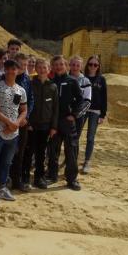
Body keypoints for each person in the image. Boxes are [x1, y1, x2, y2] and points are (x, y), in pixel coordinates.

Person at [0, 59, 28, 203]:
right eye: (8, 69)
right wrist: (9, 123)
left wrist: (16, 123)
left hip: (13, 133)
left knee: (6, 163)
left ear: (18, 70)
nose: (10, 71)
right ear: (4, 71)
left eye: (13, 69)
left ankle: (2, 188)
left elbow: (24, 110)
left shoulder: (21, 90)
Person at [47, 55, 88, 191]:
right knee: (53, 150)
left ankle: (72, 179)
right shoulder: (50, 81)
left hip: (68, 121)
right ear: (52, 67)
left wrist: (74, 115)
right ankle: (51, 175)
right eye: (55, 65)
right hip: (54, 122)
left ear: (65, 66)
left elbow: (81, 100)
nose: (58, 67)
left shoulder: (72, 81)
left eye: (61, 64)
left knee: (71, 150)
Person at [23, 58, 58, 189]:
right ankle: (25, 177)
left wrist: (53, 126)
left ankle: (39, 177)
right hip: (31, 125)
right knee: (29, 151)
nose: (42, 70)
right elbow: (25, 104)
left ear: (49, 69)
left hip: (45, 126)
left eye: (45, 68)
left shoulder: (53, 87)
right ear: (36, 69)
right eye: (40, 67)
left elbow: (55, 108)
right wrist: (27, 122)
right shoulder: (31, 85)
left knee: (41, 153)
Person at [9, 52, 34, 192]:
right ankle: (3, 179)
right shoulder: (7, 77)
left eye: (26, 64)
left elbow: (30, 99)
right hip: (8, 121)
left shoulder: (27, 79)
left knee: (20, 152)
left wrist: (25, 117)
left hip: (23, 122)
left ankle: (16, 181)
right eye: (21, 64)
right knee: (7, 151)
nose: (24, 67)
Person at [79, 55, 107, 175]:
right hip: (82, 110)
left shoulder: (101, 79)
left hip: (95, 112)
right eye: (91, 64)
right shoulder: (82, 77)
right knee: (76, 135)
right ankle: (70, 159)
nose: (93, 67)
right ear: (87, 65)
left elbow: (104, 97)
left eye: (95, 65)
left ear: (98, 66)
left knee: (90, 138)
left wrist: (103, 115)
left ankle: (87, 162)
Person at [68, 56, 92, 162]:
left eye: (78, 65)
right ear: (69, 65)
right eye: (73, 64)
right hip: (64, 114)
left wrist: (75, 115)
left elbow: (87, 101)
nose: (75, 67)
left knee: (74, 141)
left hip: (78, 117)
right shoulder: (65, 78)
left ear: (81, 66)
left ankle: (72, 163)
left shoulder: (85, 81)